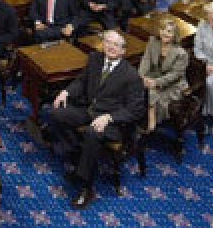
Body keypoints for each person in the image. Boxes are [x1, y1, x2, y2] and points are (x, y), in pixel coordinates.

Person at [46, 31, 145, 209]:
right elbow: (81, 82)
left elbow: (135, 110)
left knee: (93, 133)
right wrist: (66, 92)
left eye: (116, 45)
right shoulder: (95, 58)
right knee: (56, 113)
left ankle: (86, 186)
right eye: (108, 42)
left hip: (113, 121)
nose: (111, 47)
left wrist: (109, 117)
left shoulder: (131, 75)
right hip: (90, 109)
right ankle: (79, 156)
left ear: (123, 50)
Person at [137, 19, 189, 133]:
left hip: (173, 85)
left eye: (169, 31)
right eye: (163, 30)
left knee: (151, 92)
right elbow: (145, 60)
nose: (165, 33)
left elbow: (175, 75)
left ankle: (152, 117)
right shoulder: (153, 41)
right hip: (153, 76)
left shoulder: (181, 53)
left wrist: (156, 82)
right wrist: (142, 76)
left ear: (174, 35)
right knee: (135, 88)